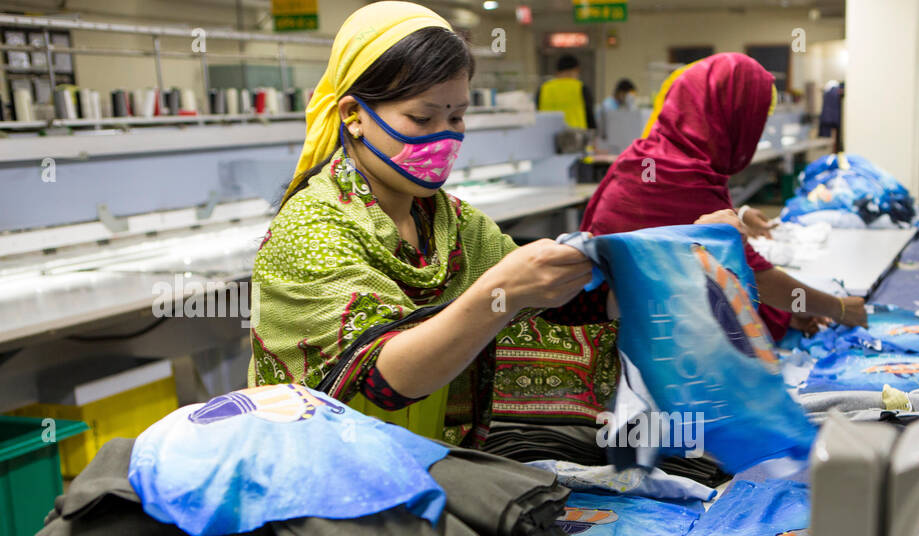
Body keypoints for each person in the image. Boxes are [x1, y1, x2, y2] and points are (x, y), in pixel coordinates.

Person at [249, 1, 600, 447]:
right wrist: (501, 294)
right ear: (353, 115)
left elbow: (557, 303)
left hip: (421, 466)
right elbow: (387, 379)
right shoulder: (311, 230)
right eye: (422, 118)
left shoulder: (445, 219)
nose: (445, 135)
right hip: (325, 476)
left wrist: (669, 256)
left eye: (455, 117)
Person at [493, 53, 867, 428]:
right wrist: (840, 308)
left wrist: (788, 302)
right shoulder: (676, 173)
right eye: (756, 118)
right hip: (628, 358)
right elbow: (756, 277)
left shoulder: (658, 156)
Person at [537, 54, 596, 130]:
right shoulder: (581, 87)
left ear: (557, 71)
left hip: (547, 135)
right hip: (575, 136)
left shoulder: (543, 89)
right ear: (576, 69)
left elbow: (537, 113)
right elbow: (589, 115)